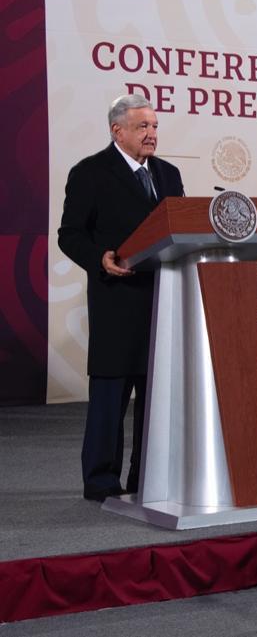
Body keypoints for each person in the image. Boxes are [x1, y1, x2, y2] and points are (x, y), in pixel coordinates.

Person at [57, 94, 185, 501]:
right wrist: (100, 257)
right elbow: (70, 235)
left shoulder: (168, 174)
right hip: (116, 299)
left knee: (155, 398)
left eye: (155, 126)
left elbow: (181, 229)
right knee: (111, 397)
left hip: (163, 299)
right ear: (118, 131)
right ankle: (101, 480)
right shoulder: (90, 172)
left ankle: (146, 478)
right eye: (142, 126)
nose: (151, 134)